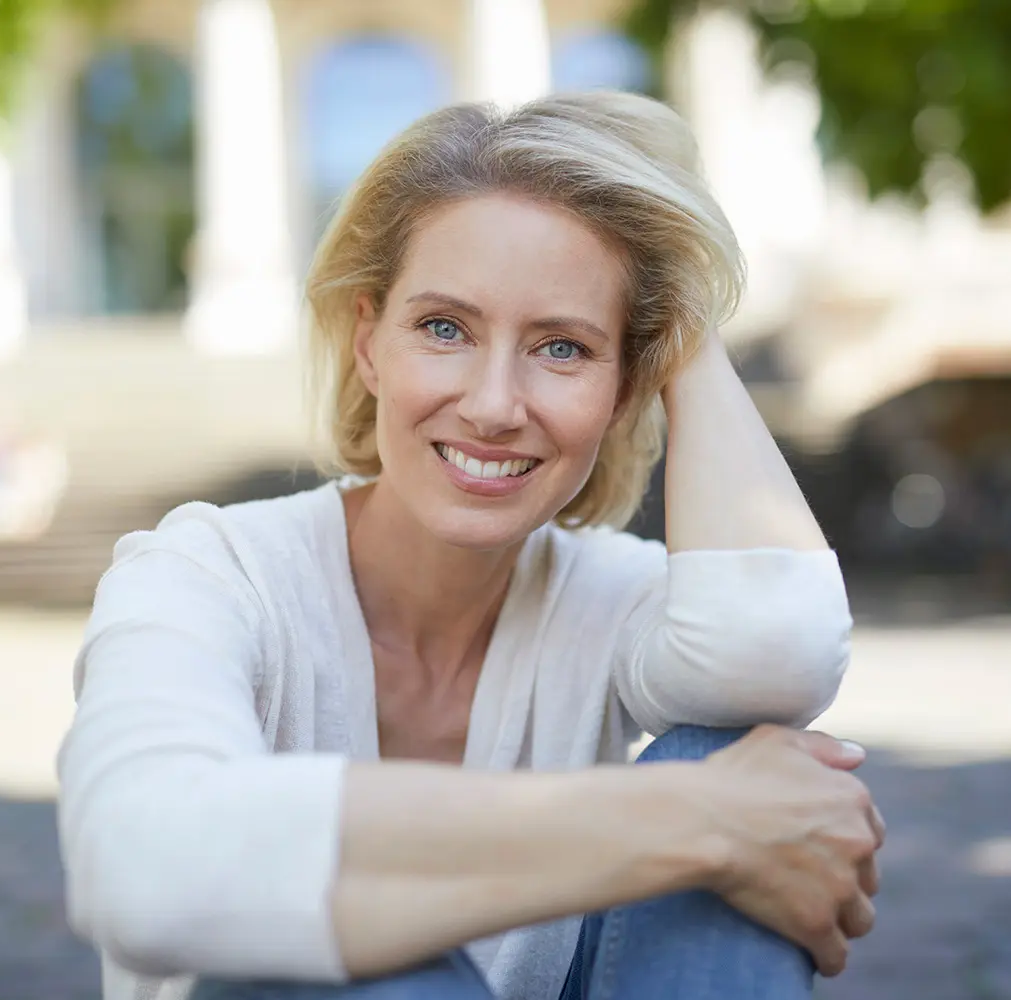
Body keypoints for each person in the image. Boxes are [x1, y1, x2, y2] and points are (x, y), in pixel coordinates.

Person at [57, 92, 883, 1000]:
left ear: (624, 390)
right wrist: (707, 819)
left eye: (563, 347)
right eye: (444, 328)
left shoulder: (614, 600)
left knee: (716, 753)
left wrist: (681, 319)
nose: (494, 404)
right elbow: (140, 863)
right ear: (370, 344)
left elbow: (782, 647)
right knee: (346, 950)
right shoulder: (204, 576)